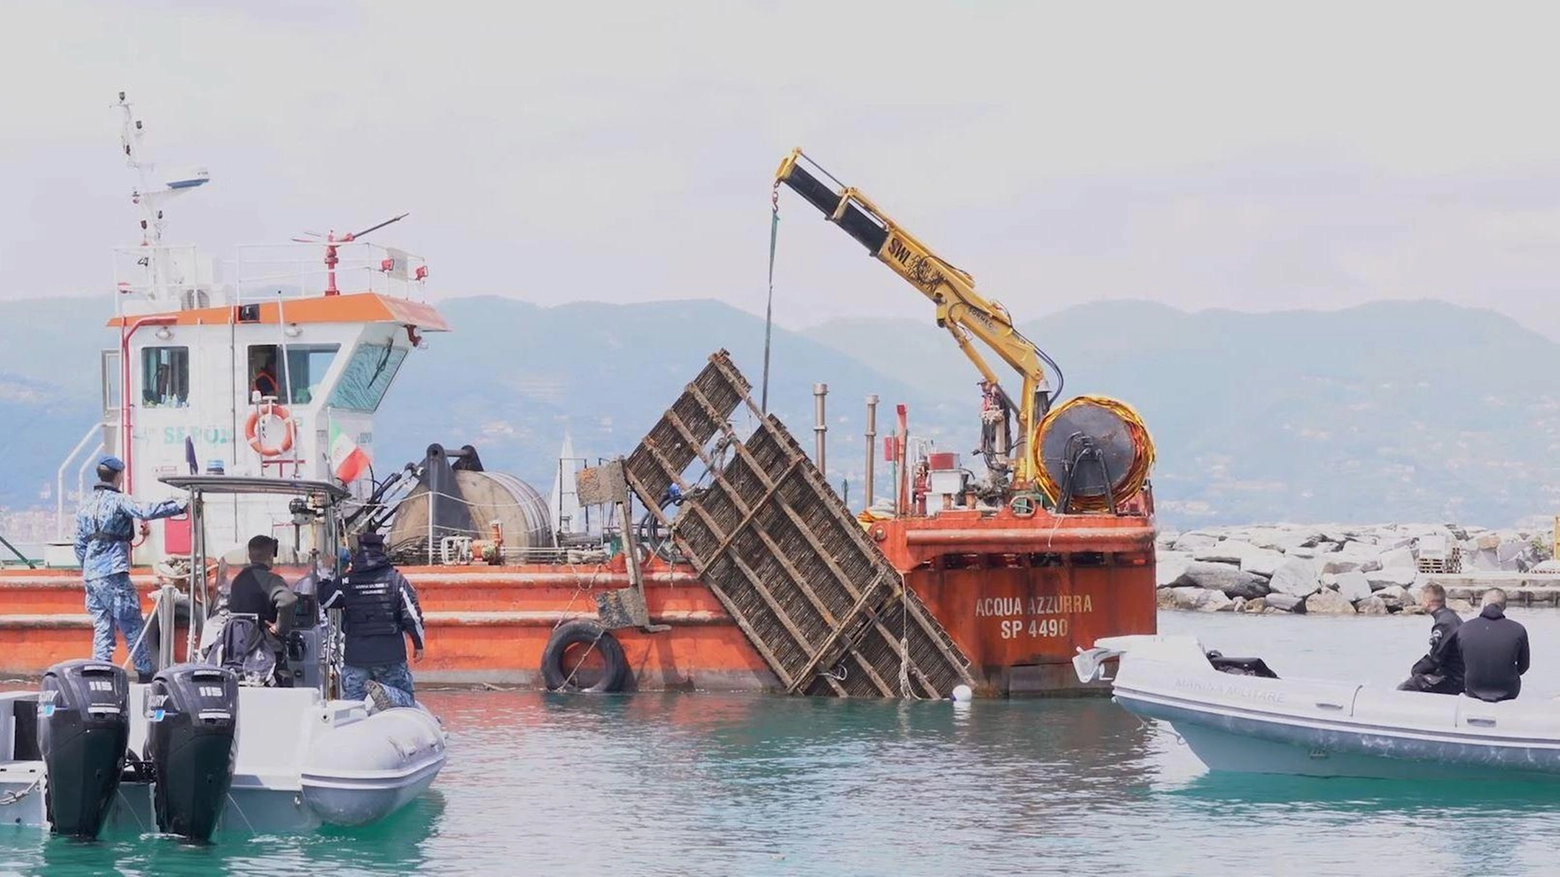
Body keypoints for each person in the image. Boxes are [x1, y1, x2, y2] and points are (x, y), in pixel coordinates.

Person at [72, 455, 188, 683]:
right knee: (132, 622)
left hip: (91, 574)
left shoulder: (84, 505)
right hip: (113, 572)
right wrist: (179, 505)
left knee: (102, 624)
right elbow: (144, 511)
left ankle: (100, 672)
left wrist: (88, 566)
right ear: (118, 476)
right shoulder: (119, 501)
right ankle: (145, 673)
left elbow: (79, 544)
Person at [320, 532, 425, 712]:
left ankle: (349, 731)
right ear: (382, 550)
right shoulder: (395, 579)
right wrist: (419, 643)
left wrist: (325, 572)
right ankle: (385, 692)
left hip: (356, 656)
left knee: (351, 705)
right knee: (406, 699)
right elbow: (412, 615)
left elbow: (326, 600)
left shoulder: (347, 580)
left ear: (359, 552)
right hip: (389, 654)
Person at [226, 534, 300, 684]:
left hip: (239, 646)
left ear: (249, 555)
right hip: (266, 646)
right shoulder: (271, 580)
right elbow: (288, 600)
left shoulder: (238, 581)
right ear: (270, 556)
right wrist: (281, 628)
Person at [1456, 588, 1530, 702]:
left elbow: (1460, 661)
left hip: (1473, 687)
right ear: (1504, 607)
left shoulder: (1464, 628)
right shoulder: (1518, 629)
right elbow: (1524, 666)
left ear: (1484, 604)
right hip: (1508, 689)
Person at [1396, 583, 1463, 694]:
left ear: (1427, 602)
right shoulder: (1451, 617)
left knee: (1406, 687)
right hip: (1458, 674)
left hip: (1452, 678)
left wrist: (1416, 670)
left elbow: (1436, 658)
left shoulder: (1443, 624)